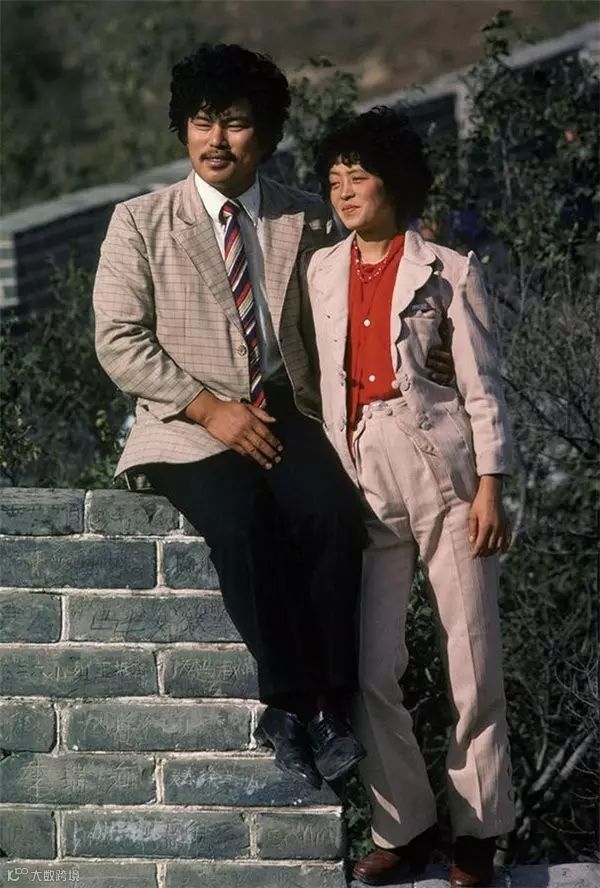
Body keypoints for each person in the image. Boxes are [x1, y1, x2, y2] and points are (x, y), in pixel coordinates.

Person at [92, 45, 454, 793]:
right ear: (183, 129)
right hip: (185, 421)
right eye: (202, 123)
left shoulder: (308, 217)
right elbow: (119, 338)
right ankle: (298, 702)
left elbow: (360, 302)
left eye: (235, 124)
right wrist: (206, 408)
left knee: (332, 517)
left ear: (266, 134)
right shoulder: (139, 222)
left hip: (288, 412)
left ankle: (320, 707)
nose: (216, 141)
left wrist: (429, 346)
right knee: (242, 524)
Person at [305, 107, 515, 887]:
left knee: (473, 663)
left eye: (358, 176)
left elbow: (482, 387)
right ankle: (406, 826)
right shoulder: (321, 270)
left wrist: (491, 485)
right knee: (369, 668)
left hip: (445, 473)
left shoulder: (450, 270)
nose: (343, 191)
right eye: (334, 178)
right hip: (360, 471)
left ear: (393, 182)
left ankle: (479, 832)